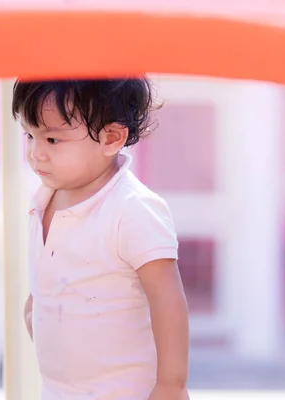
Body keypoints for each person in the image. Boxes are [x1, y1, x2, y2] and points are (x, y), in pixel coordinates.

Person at [13, 78, 190, 400]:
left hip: (123, 390)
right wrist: (35, 305)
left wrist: (171, 385)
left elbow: (168, 301)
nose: (36, 153)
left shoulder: (132, 209)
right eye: (29, 135)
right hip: (58, 388)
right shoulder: (46, 196)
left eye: (52, 139)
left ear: (111, 137)